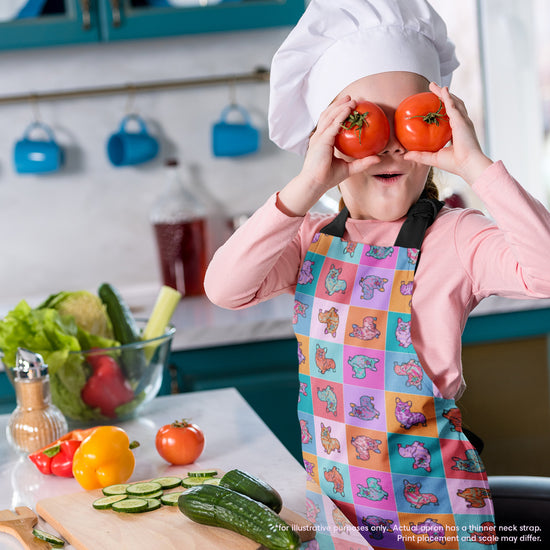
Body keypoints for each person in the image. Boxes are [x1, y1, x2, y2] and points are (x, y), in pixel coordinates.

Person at [204, 0, 550, 547]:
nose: (389, 143)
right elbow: (224, 288)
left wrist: (477, 166)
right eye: (365, 122)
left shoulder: (455, 237)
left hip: (438, 520)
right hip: (339, 519)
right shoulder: (307, 236)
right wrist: (306, 186)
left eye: (411, 121)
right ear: (327, 138)